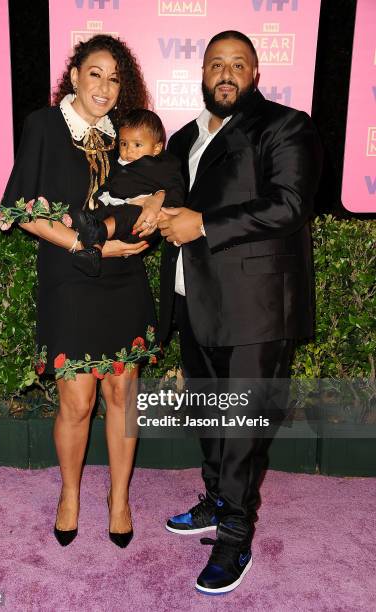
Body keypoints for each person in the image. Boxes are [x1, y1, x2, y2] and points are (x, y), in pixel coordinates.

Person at [158, 30, 323, 594]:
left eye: (238, 64)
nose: (225, 73)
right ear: (202, 73)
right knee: (207, 415)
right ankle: (214, 500)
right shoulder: (182, 137)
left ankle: (235, 537)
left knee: (242, 427)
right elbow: (162, 202)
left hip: (256, 309)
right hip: (192, 300)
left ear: (255, 74)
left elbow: (292, 204)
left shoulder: (284, 125)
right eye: (215, 64)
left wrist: (202, 223)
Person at [0, 35, 164, 549]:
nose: (105, 86)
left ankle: (119, 499)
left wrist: (153, 213)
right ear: (73, 76)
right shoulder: (44, 126)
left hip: (123, 279)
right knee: (77, 397)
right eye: (95, 73)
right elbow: (23, 212)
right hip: (71, 274)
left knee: (122, 393)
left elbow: (160, 186)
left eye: (115, 78)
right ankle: (69, 494)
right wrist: (88, 249)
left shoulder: (125, 136)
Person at [71, 108, 185, 276]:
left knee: (130, 212)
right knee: (99, 211)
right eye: (124, 143)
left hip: (140, 224)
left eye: (137, 145)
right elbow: (108, 184)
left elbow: (176, 193)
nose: (129, 150)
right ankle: (93, 252)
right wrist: (100, 197)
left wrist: (158, 200)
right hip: (116, 212)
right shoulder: (118, 162)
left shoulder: (164, 166)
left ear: (156, 148)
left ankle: (98, 231)